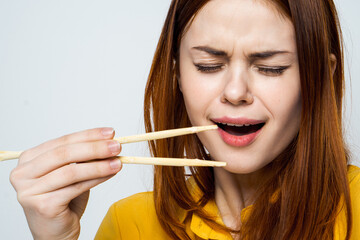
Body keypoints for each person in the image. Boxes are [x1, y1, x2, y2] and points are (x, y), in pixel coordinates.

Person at [9, 0, 359, 239]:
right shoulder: (130, 225)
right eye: (209, 65)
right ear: (177, 75)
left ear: (321, 77)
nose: (236, 92)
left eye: (271, 67)